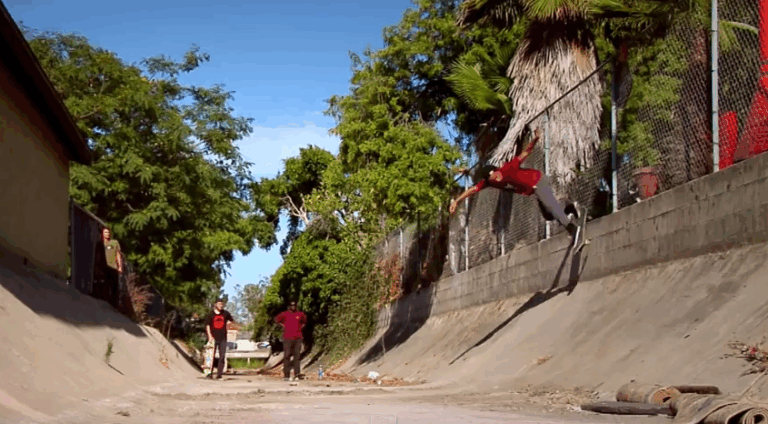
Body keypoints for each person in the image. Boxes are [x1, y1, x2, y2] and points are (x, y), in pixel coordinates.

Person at [449, 128, 582, 244]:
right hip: (533, 189)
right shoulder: (489, 182)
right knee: (548, 215)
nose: (497, 178)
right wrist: (456, 201)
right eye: (493, 178)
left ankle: (572, 229)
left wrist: (535, 139)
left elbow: (524, 153)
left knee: (551, 206)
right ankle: (568, 205)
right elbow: (472, 189)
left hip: (538, 181)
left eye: (496, 174)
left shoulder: (508, 168)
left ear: (497, 170)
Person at [275, 300, 306, 381]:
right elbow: (277, 320)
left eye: (294, 305)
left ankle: (297, 374)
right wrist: (284, 326)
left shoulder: (300, 314)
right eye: (291, 305)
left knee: (297, 356)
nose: (293, 307)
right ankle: (286, 375)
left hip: (298, 338)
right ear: (289, 306)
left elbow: (304, 322)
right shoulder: (285, 314)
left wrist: (299, 328)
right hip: (287, 338)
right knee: (287, 355)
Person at [205, 298, 234, 380]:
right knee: (211, 356)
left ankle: (219, 374)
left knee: (222, 356)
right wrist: (210, 336)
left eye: (222, 304)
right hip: (213, 337)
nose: (221, 305)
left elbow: (231, 321)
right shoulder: (211, 314)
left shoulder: (225, 313)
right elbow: (207, 325)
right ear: (215, 305)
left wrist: (227, 325)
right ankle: (209, 373)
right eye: (219, 304)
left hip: (223, 338)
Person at [92, 227, 122, 306]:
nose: (107, 234)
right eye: (105, 232)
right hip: (104, 268)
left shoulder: (114, 243)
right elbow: (97, 256)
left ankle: (114, 304)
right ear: (102, 234)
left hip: (113, 267)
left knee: (115, 286)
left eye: (108, 232)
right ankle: (106, 301)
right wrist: (97, 268)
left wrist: (120, 266)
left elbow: (118, 254)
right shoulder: (100, 244)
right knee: (105, 285)